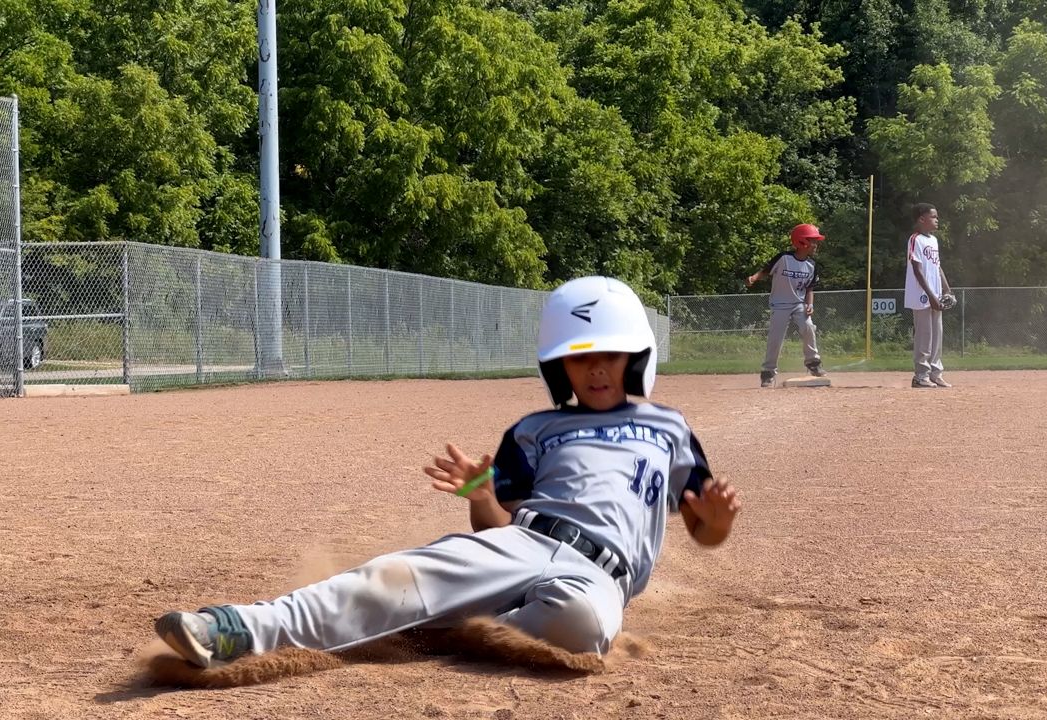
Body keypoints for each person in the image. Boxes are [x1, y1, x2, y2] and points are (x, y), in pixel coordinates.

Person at [153, 276, 742, 667]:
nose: (594, 372)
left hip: (602, 578)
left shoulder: (668, 428)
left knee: (580, 624)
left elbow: (704, 532)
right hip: (526, 538)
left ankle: (448, 627)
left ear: (637, 358)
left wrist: (713, 522)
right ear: (559, 369)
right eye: (578, 359)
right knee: (393, 576)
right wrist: (480, 492)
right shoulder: (534, 430)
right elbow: (493, 528)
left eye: (608, 356)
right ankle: (235, 628)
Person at [746, 224, 825, 388]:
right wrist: (753, 278)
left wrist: (810, 304)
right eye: (812, 241)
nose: (815, 245)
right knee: (776, 338)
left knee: (808, 327)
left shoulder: (812, 265)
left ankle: (813, 363)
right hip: (780, 304)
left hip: (798, 304)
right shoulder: (784, 258)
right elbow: (766, 271)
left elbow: (810, 288)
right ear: (802, 242)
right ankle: (768, 372)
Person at [904, 203, 953, 388]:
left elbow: (937, 267)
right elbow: (917, 269)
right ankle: (920, 376)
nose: (937, 220)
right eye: (933, 217)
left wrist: (947, 290)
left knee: (937, 335)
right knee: (924, 336)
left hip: (936, 293)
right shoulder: (915, 239)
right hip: (921, 295)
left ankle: (935, 373)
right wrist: (930, 295)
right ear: (921, 219)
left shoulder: (933, 240)